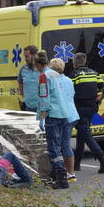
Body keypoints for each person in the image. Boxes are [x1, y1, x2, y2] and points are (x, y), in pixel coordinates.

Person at [37, 56, 78, 185]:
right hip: (65, 114)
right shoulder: (60, 77)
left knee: (54, 148)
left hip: (53, 115)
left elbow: (44, 98)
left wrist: (42, 117)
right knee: (61, 146)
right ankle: (59, 176)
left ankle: (61, 179)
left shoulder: (45, 76)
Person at [70, 52, 104, 173]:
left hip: (79, 108)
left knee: (86, 134)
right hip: (92, 107)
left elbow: (69, 91)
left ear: (75, 62)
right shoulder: (94, 73)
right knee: (81, 135)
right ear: (84, 61)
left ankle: (102, 159)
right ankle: (77, 164)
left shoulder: (74, 75)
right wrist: (100, 99)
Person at [17, 45, 40, 112]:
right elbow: (20, 82)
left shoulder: (44, 69)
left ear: (35, 55)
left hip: (42, 109)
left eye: (27, 56)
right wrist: (23, 96)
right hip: (28, 108)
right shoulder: (23, 69)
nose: (25, 59)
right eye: (25, 56)